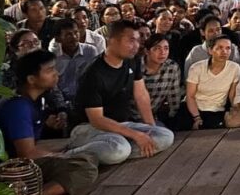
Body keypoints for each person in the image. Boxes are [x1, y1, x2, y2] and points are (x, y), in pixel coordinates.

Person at [0, 49, 99, 195]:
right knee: (85, 168)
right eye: (49, 70)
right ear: (31, 79)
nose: (56, 74)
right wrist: (57, 155)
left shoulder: (36, 100)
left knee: (90, 157)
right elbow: (27, 153)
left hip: (27, 165)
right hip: (11, 169)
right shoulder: (18, 106)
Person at [66, 20, 175, 165]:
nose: (136, 45)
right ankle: (70, 155)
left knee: (165, 135)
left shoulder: (132, 61)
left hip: (121, 124)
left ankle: (116, 152)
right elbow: (97, 119)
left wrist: (150, 127)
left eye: (137, 41)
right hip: (88, 128)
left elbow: (141, 95)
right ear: (112, 41)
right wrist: (135, 135)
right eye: (131, 40)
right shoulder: (92, 73)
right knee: (119, 149)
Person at [184, 35, 240, 129]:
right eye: (219, 48)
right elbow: (190, 96)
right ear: (210, 50)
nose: (224, 51)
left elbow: (232, 95)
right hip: (193, 109)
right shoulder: (197, 67)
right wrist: (197, 117)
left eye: (228, 48)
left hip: (216, 110)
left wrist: (236, 109)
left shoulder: (235, 68)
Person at [139, 34, 182, 127]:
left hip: (152, 118)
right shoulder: (136, 66)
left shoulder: (172, 67)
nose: (162, 52)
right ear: (147, 51)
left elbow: (174, 98)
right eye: (157, 49)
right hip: (129, 117)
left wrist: (173, 120)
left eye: (166, 48)